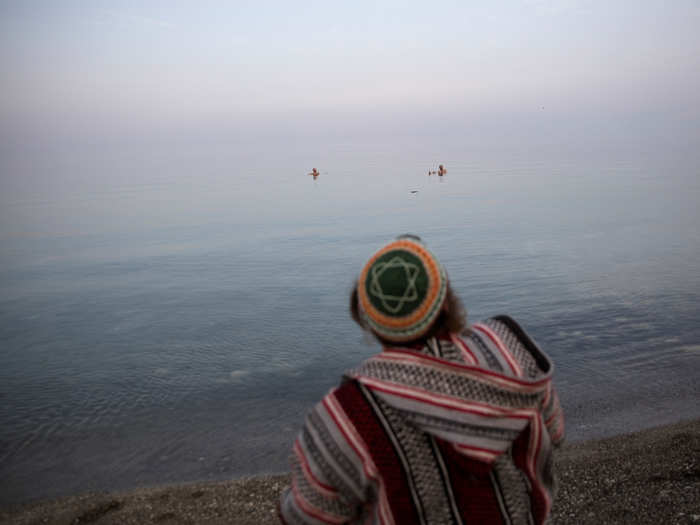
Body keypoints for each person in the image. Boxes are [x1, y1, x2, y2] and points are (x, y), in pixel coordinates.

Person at [279, 235, 564, 525]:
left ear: (368, 321)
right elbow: (556, 431)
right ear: (445, 302)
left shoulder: (346, 415)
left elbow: (305, 515)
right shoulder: (512, 351)